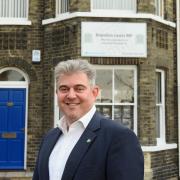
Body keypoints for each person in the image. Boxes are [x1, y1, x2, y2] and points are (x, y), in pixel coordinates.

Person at [33, 59, 144, 180]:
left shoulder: (119, 137)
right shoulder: (49, 138)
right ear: (57, 93)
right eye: (64, 89)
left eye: (79, 88)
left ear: (94, 92)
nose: (70, 95)